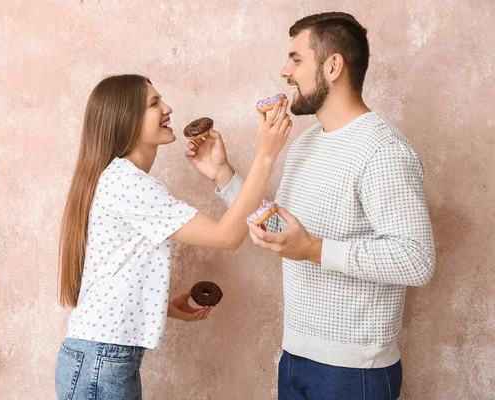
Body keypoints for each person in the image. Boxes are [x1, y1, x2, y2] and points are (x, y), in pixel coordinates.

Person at [185, 12, 436, 400]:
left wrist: (315, 250)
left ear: (333, 65)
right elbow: (280, 230)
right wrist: (222, 175)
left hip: (355, 373)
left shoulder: (383, 150)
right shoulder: (306, 143)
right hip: (295, 358)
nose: (285, 71)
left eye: (296, 59)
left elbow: (416, 259)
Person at [55, 74, 292, 399]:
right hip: (101, 362)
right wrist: (265, 155)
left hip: (101, 357)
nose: (167, 108)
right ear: (128, 119)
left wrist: (158, 306)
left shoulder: (118, 178)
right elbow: (228, 236)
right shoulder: (130, 184)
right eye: (154, 103)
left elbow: (112, 270)